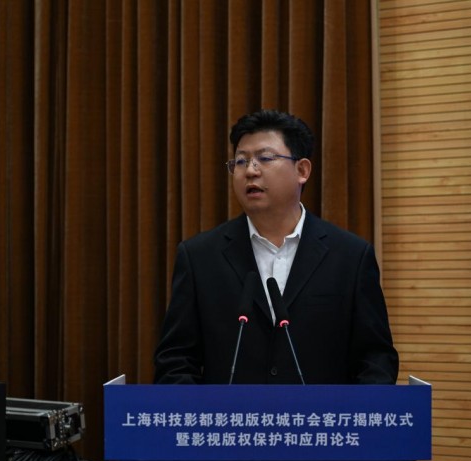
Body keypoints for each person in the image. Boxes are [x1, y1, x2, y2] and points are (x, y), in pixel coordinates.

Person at [154, 109, 399, 385]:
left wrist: (357, 410)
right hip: (230, 414)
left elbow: (375, 359)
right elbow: (175, 360)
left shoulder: (350, 256)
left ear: (302, 170)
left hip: (321, 414)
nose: (250, 170)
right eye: (240, 161)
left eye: (265, 158)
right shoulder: (199, 257)